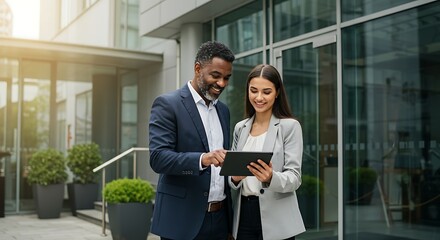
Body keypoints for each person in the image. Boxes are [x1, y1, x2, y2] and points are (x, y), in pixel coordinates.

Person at [149, 41, 235, 240]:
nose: (222, 83)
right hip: (182, 222)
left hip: (220, 220)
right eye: (215, 75)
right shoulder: (168, 104)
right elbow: (158, 158)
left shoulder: (223, 111)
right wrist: (202, 159)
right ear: (198, 68)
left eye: (226, 78)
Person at [229, 64, 305, 240]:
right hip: (243, 216)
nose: (259, 97)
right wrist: (234, 178)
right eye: (253, 90)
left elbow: (295, 177)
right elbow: (231, 177)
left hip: (278, 218)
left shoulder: (290, 127)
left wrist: (271, 177)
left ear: (277, 92)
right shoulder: (240, 128)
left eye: (266, 92)